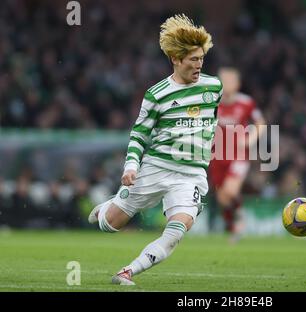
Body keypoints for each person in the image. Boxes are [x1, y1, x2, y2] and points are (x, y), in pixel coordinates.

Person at [88, 14, 222, 285]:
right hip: (157, 167)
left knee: (177, 230)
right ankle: (106, 208)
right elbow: (140, 133)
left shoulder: (213, 87)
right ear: (176, 58)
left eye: (201, 59)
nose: (199, 65)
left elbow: (212, 120)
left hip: (191, 174)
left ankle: (127, 272)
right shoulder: (157, 94)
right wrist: (131, 166)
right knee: (111, 225)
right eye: (193, 59)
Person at [208, 67, 266, 242]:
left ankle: (239, 216)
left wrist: (251, 139)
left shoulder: (246, 103)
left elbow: (260, 122)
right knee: (222, 197)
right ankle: (233, 227)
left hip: (238, 154)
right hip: (216, 155)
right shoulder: (211, 101)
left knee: (230, 191)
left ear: (238, 84)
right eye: (223, 80)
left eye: (229, 81)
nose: (226, 84)